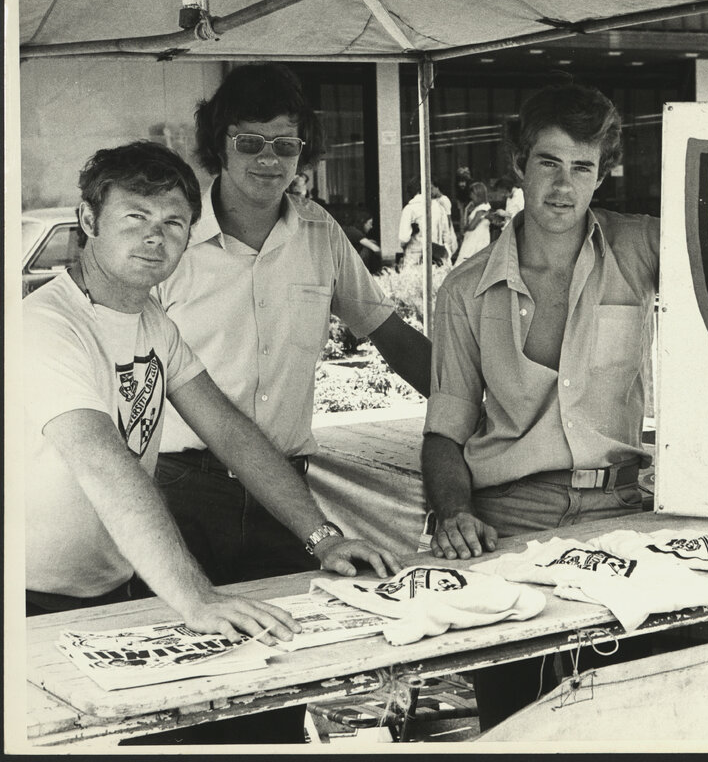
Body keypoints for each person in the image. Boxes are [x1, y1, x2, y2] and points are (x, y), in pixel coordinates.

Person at [420, 83, 708, 728]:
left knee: (646, 704)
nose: (562, 185)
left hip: (621, 509)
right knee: (516, 714)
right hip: (510, 516)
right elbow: (445, 431)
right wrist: (453, 514)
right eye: (548, 163)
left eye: (582, 167)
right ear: (518, 165)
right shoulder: (464, 290)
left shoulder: (639, 246)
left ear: (603, 173)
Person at [22, 143, 403, 743]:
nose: (156, 238)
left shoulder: (153, 324)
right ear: (89, 221)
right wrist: (197, 599)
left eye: (173, 223)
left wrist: (324, 538)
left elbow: (230, 431)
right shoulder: (44, 326)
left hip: (109, 591)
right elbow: (104, 464)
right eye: (135, 219)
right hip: (29, 601)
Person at [151, 63, 429, 590]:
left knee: (294, 643)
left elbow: (391, 337)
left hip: (288, 497)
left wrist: (476, 410)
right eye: (250, 142)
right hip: (185, 490)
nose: (268, 159)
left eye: (285, 145)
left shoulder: (320, 234)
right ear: (220, 143)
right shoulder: (173, 238)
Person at [398, 176, 457, 267]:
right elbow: (446, 235)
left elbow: (403, 238)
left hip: (414, 256)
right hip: (436, 255)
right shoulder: (439, 207)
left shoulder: (409, 209)